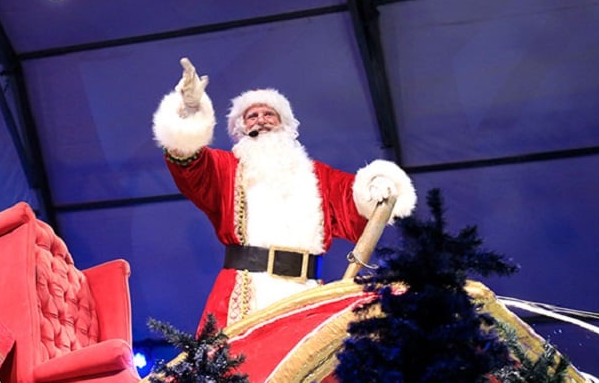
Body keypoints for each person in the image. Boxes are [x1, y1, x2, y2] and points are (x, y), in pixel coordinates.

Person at [152, 57, 416, 331]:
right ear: (241, 128)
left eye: (269, 114)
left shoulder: (317, 176)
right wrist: (190, 112)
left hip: (305, 294)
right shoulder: (226, 170)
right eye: (252, 116)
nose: (261, 120)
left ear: (285, 124)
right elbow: (189, 161)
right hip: (247, 293)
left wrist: (378, 183)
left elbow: (354, 201)